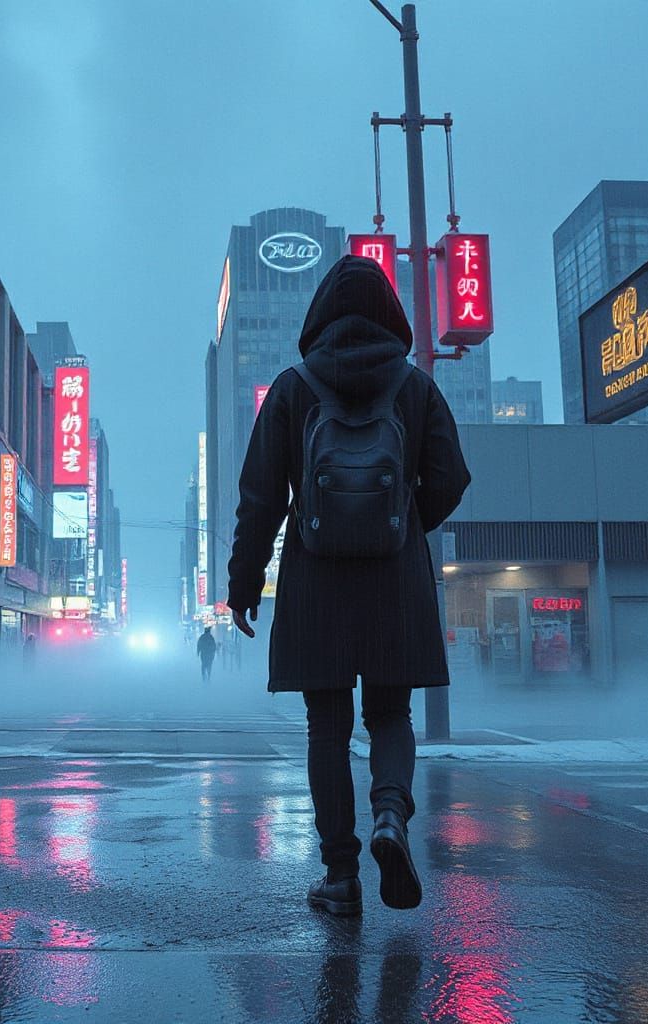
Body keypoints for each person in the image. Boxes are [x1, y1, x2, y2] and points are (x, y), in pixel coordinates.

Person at [227, 255, 470, 916]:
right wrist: (403, 524)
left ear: (320, 318)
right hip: (396, 582)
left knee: (326, 728)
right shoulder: (416, 388)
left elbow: (259, 498)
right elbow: (451, 477)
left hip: (316, 584)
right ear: (388, 315)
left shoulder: (292, 387)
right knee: (389, 714)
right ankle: (390, 816)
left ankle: (341, 875)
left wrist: (245, 583)